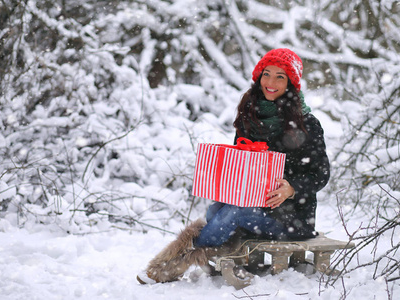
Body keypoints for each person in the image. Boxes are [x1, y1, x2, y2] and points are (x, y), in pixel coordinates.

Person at [137, 48, 330, 284]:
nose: (271, 82)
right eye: (266, 74)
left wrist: (292, 188)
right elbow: (241, 163)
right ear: (258, 76)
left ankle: (174, 262)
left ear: (291, 83)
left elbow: (321, 173)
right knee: (214, 211)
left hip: (291, 218)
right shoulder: (251, 113)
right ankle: (217, 256)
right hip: (252, 201)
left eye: (280, 76)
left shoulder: (306, 122)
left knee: (235, 214)